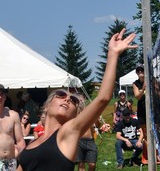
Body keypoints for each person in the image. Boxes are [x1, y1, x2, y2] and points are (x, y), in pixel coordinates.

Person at [17, 28, 138, 171]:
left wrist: (113, 54)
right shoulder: (33, 144)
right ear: (47, 105)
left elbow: (103, 98)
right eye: (61, 94)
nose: (68, 99)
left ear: (76, 115)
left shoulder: (68, 132)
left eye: (74, 100)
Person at [0, 84, 26, 170]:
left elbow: (20, 141)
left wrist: (18, 156)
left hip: (11, 163)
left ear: (5, 96)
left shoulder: (13, 115)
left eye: (1, 94)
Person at [76, 94, 100, 171]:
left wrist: (95, 117)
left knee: (92, 164)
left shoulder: (90, 111)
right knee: (81, 165)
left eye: (81, 99)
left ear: (84, 100)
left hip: (90, 140)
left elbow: (98, 125)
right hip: (78, 141)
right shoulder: (74, 112)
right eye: (78, 99)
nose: (80, 101)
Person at [132, 64, 146, 139]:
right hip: (142, 109)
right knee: (143, 131)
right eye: (138, 70)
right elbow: (137, 96)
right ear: (136, 72)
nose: (140, 72)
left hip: (151, 108)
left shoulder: (150, 80)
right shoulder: (135, 84)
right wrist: (143, 89)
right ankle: (145, 148)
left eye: (142, 70)